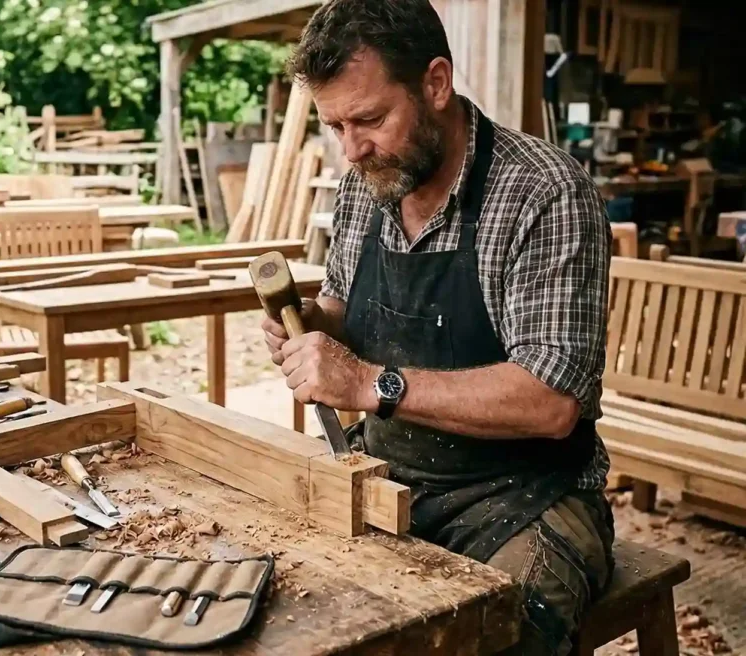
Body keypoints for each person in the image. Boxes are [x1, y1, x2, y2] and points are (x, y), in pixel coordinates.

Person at [262, 1, 616, 654]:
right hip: (391, 478)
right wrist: (311, 330)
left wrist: (371, 383)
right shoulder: (363, 186)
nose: (352, 149)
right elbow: (345, 314)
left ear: (434, 82)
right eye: (334, 125)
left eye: (368, 119)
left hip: (528, 499)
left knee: (489, 635)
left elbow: (552, 402)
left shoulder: (543, 194)